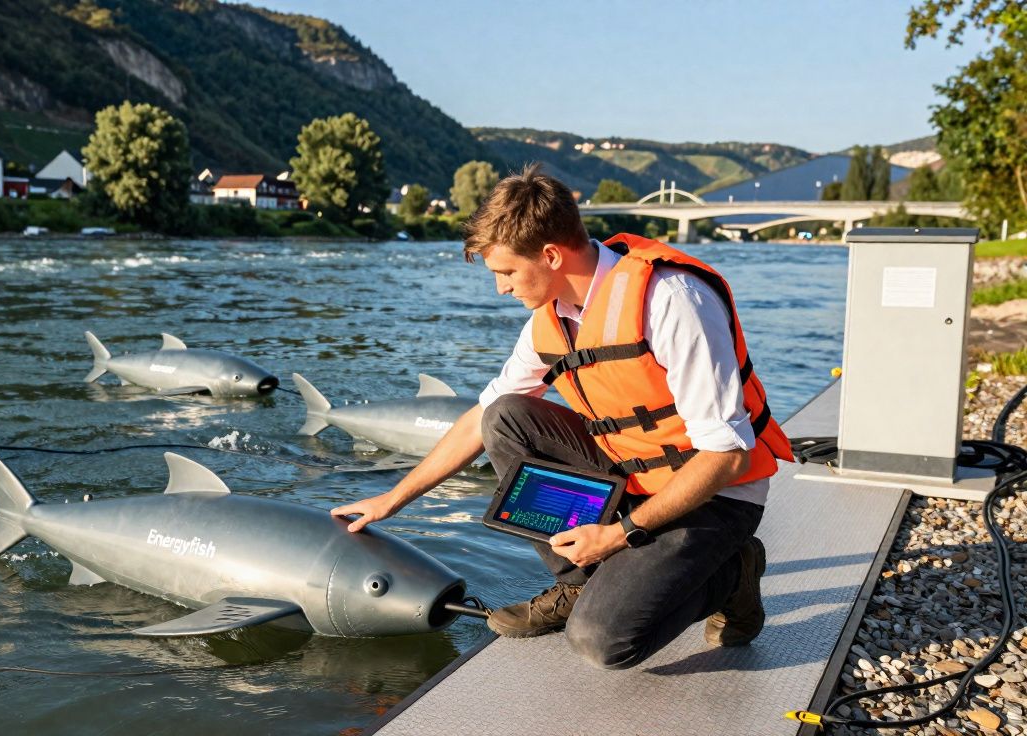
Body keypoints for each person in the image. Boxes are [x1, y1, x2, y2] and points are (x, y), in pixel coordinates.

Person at [330, 165, 793, 670]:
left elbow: (727, 457)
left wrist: (617, 535)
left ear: (551, 255)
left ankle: (734, 574)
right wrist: (392, 499)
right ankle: (577, 583)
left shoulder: (673, 300)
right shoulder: (550, 318)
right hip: (632, 475)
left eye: (506, 272)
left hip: (715, 495)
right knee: (504, 416)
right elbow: (481, 417)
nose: (500, 289)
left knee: (602, 642)